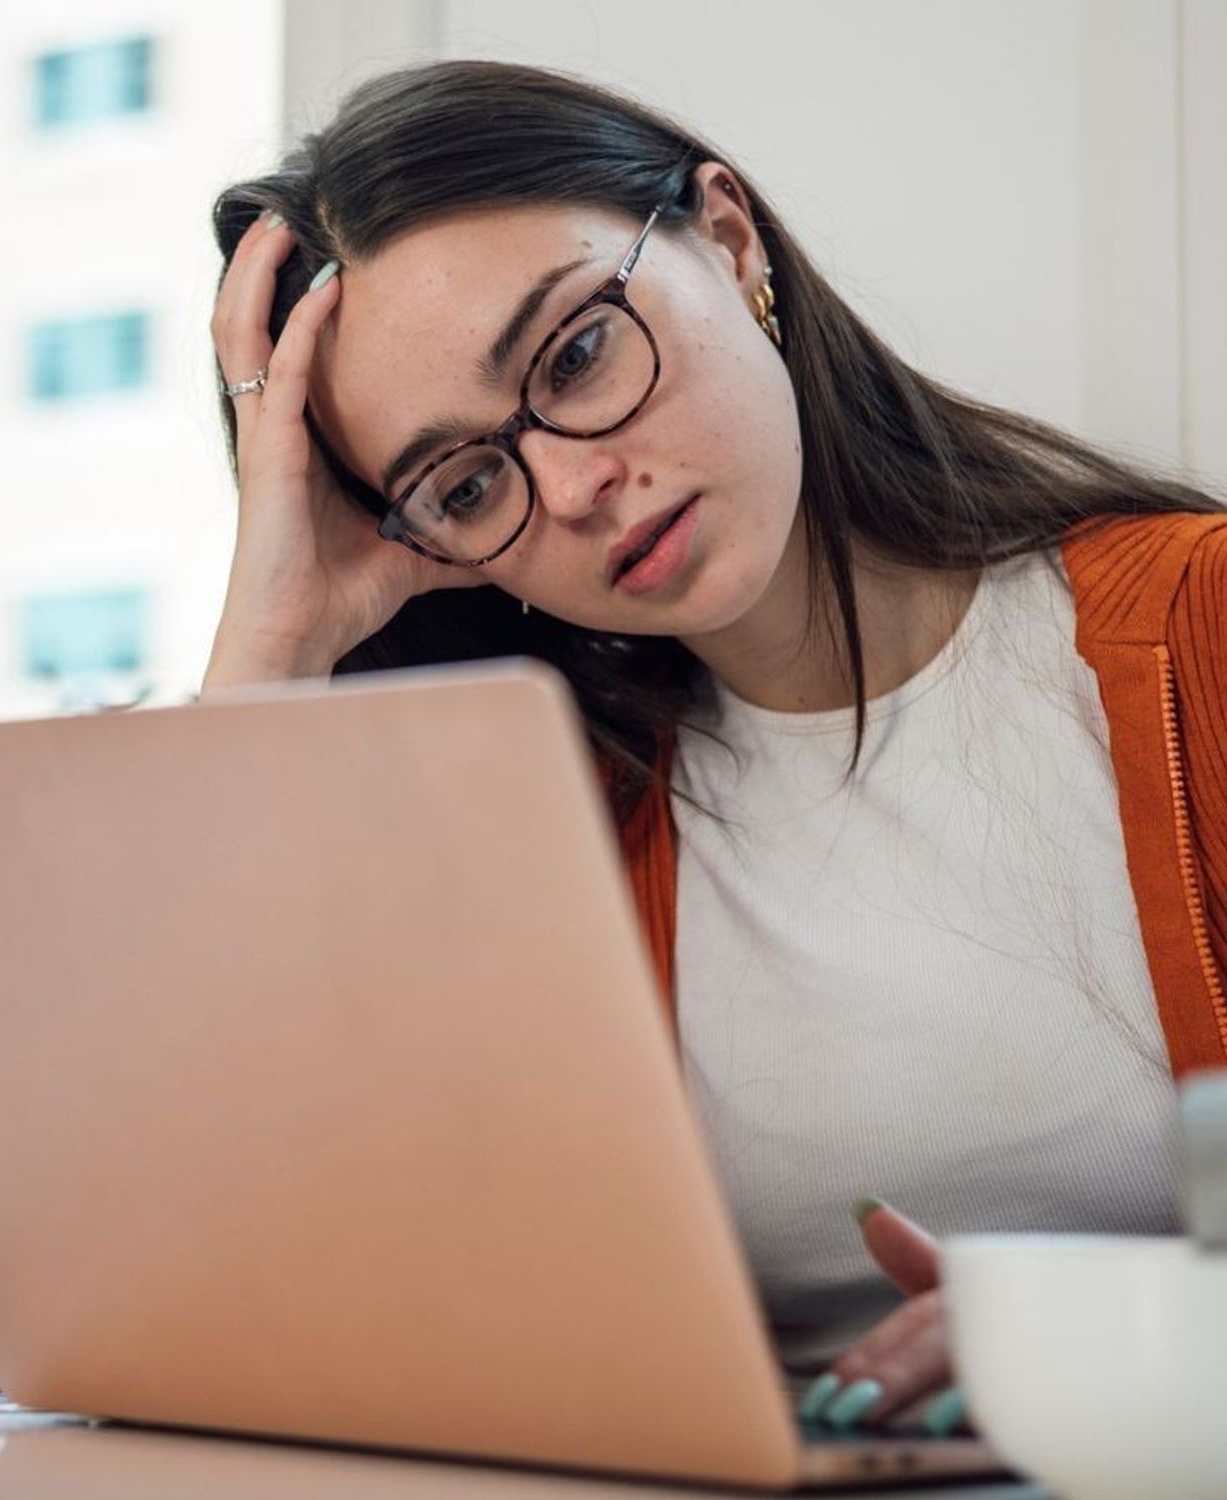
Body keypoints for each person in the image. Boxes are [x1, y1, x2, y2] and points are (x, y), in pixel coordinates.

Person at [201, 58, 1227, 1442]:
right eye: (465, 485)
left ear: (730, 241)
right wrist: (270, 648)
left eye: (575, 354)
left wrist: (1095, 1341)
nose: (570, 487)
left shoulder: (1197, 633)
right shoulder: (552, 836)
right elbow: (238, 1273)